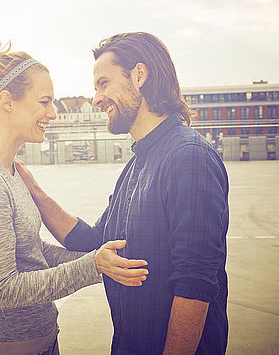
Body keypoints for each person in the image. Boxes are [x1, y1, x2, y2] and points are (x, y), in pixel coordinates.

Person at [15, 32, 229, 355]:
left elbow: (194, 287)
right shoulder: (136, 165)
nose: (96, 98)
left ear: (139, 76)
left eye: (104, 83)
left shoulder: (188, 157)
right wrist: (33, 190)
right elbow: (94, 241)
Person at [0, 44, 149, 355]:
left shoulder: (9, 170)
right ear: (7, 102)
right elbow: (4, 289)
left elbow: (31, 250)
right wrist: (91, 266)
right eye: (44, 102)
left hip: (38, 344)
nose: (53, 114)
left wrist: (104, 265)